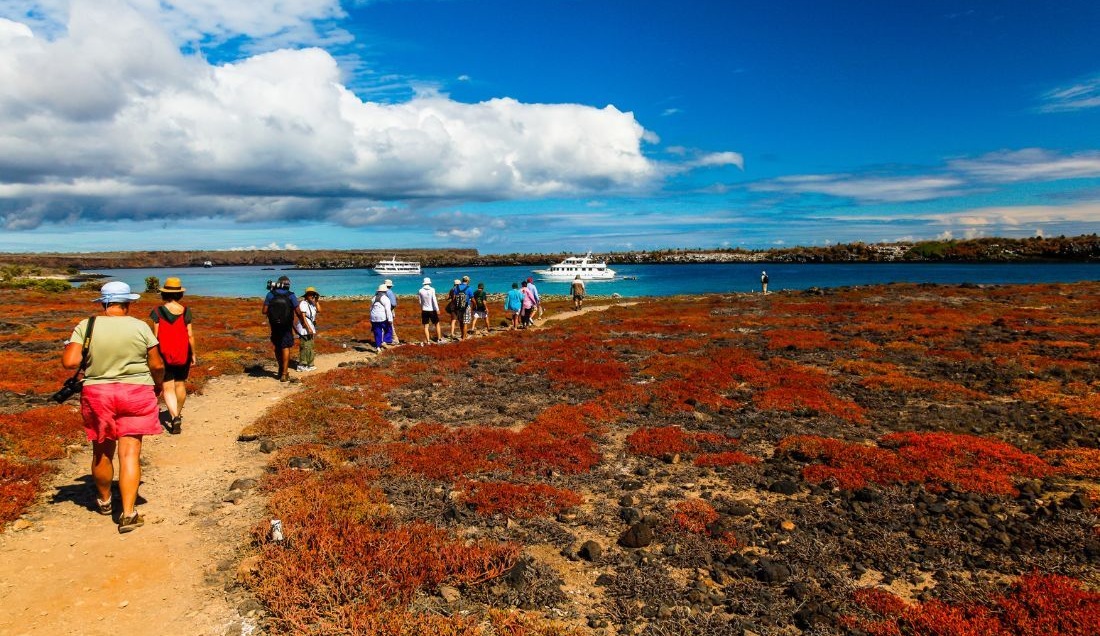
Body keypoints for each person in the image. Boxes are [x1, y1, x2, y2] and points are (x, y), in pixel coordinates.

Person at [63, 281, 165, 533]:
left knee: (101, 450)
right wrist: (158, 385)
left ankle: (105, 501)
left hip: (99, 393)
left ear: (103, 303)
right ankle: (129, 513)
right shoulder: (141, 327)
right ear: (128, 303)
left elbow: (70, 362)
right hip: (136, 391)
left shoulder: (87, 326)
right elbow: (157, 365)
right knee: (130, 452)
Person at [149, 276, 195, 435]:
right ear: (180, 294)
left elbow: (155, 335)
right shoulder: (186, 311)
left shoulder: (157, 311)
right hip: (184, 352)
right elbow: (190, 335)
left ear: (164, 293)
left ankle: (174, 415)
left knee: (167, 386)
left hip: (163, 352)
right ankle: (177, 415)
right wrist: (193, 354)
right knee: (180, 384)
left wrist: (152, 355)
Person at [262, 275, 307, 382]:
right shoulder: (291, 295)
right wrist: (303, 321)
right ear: (287, 284)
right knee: (285, 346)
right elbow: (298, 311)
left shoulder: (270, 294)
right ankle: (284, 373)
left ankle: (280, 368)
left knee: (278, 346)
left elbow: (264, 311)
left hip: (275, 324)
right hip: (286, 325)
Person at [295, 287, 320, 371]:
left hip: (310, 327)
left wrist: (316, 300)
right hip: (304, 327)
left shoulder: (312, 304)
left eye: (313, 294)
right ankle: (302, 364)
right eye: (310, 294)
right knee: (305, 346)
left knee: (310, 346)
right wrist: (308, 327)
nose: (312, 296)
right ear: (306, 295)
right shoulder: (303, 303)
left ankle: (310, 364)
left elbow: (319, 310)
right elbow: (303, 316)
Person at [369, 283, 394, 351]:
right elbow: (388, 310)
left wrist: (370, 318)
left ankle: (378, 347)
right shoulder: (386, 299)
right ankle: (385, 341)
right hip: (382, 317)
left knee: (377, 332)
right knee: (389, 329)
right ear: (385, 291)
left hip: (373, 317)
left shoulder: (373, 298)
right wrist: (390, 319)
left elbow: (371, 308)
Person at [417, 277, 442, 343]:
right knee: (437, 324)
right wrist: (437, 309)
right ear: (429, 283)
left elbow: (420, 301)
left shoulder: (420, 290)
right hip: (432, 310)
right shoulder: (432, 289)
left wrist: (422, 307)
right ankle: (439, 339)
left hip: (424, 310)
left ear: (424, 283)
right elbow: (434, 300)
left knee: (426, 326)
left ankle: (428, 341)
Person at [383, 279, 399, 345]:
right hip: (389, 311)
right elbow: (394, 303)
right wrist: (389, 309)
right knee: (390, 325)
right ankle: (395, 339)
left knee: (384, 326)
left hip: (381, 312)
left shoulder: (380, 292)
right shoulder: (390, 292)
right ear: (390, 286)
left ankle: (386, 340)